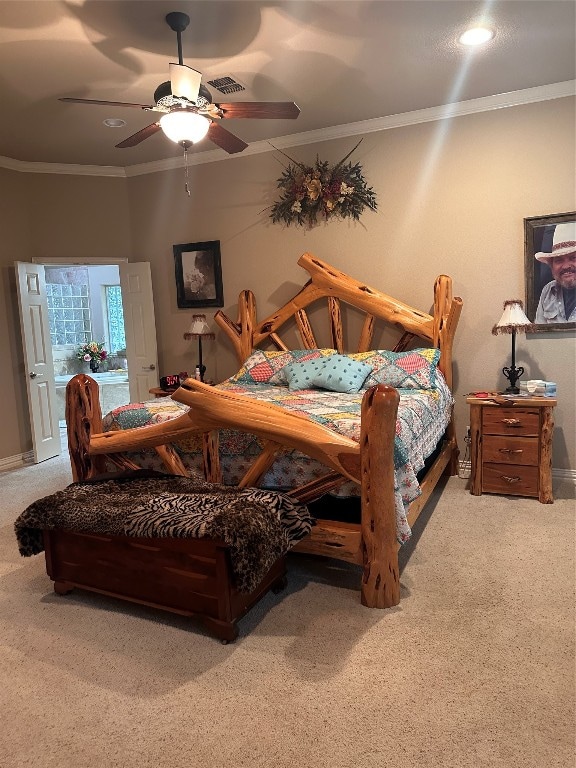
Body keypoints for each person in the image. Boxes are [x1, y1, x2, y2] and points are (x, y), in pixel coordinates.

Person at [534, 221, 576, 323]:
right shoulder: (548, 291)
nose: (566, 266)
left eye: (573, 258)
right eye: (559, 260)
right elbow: (540, 334)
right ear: (551, 266)